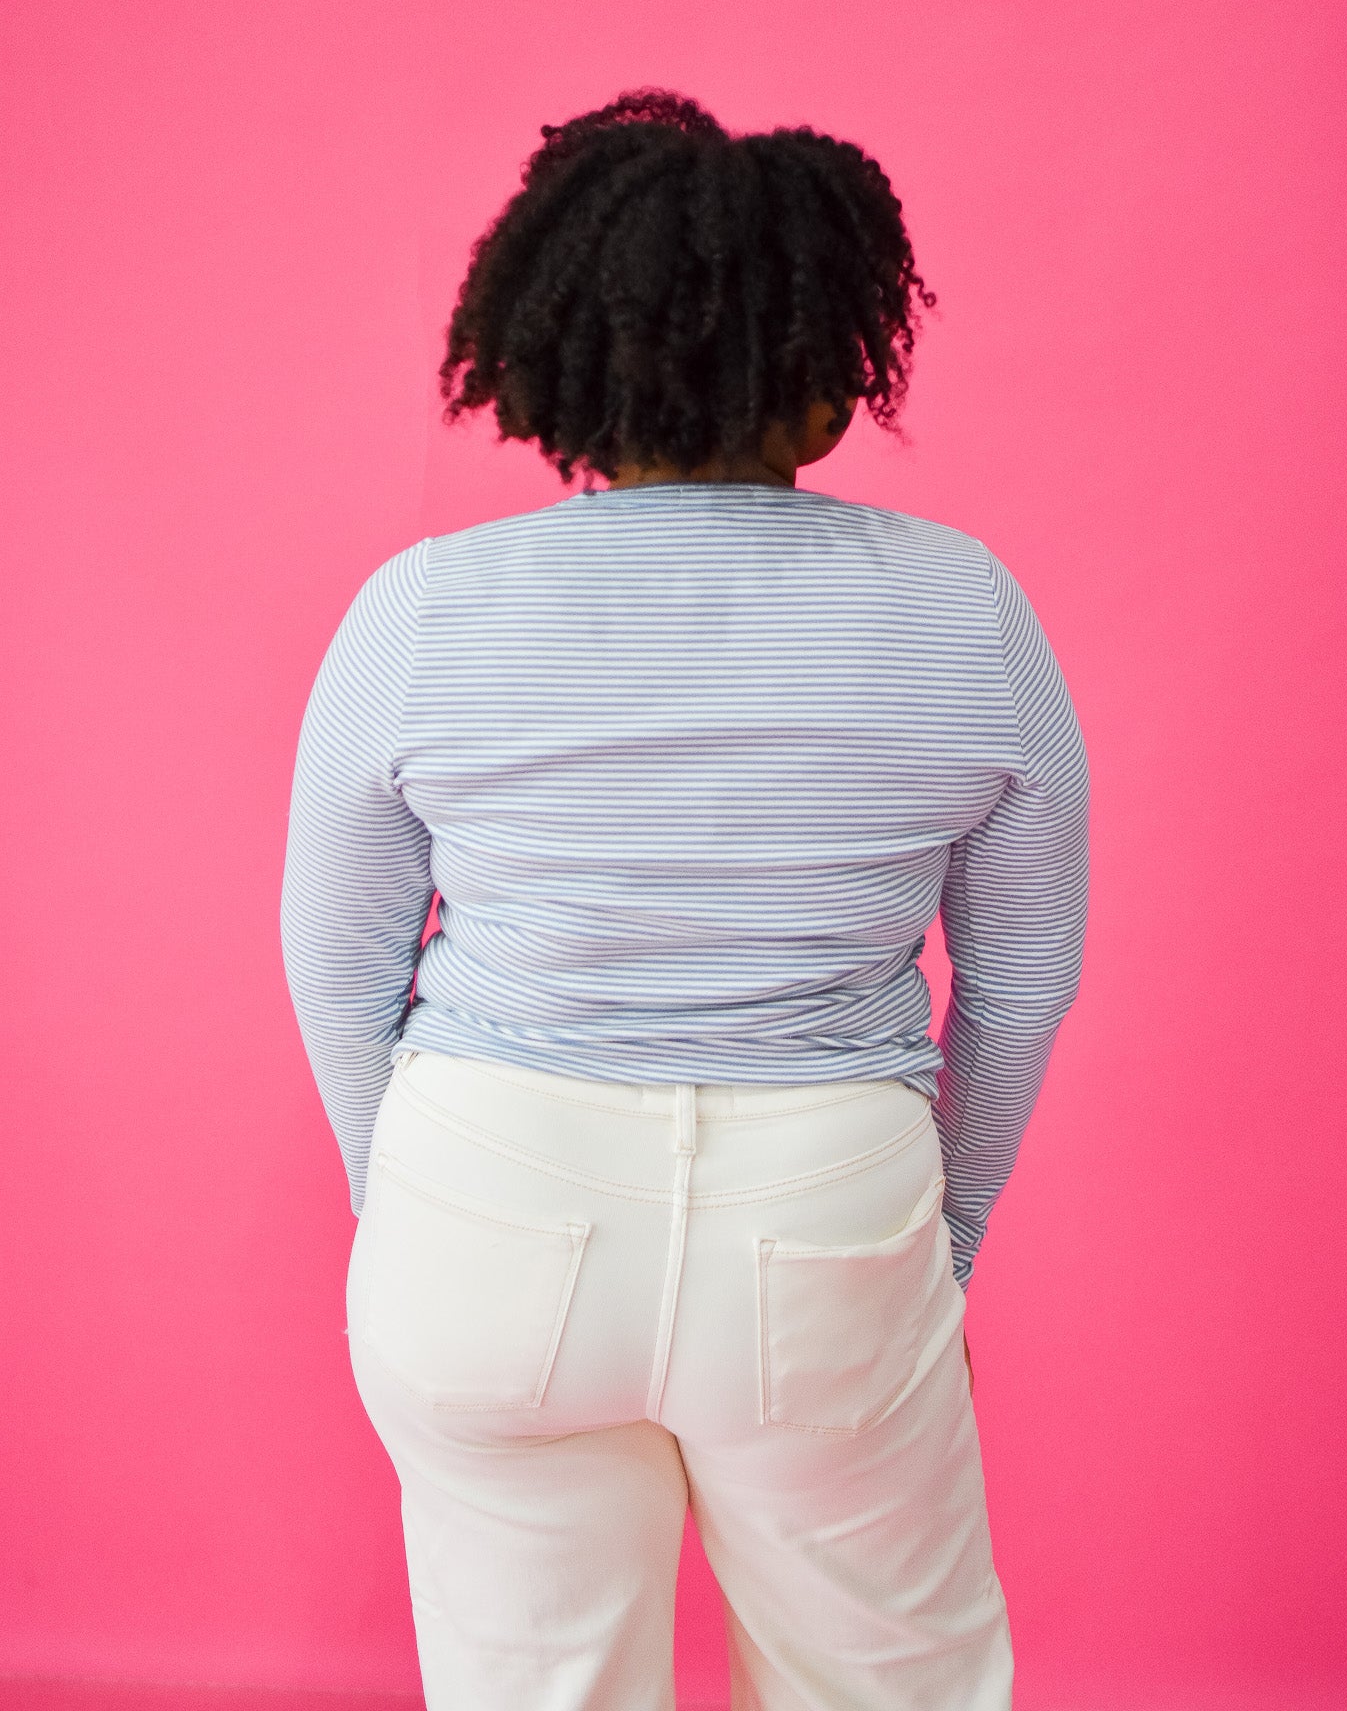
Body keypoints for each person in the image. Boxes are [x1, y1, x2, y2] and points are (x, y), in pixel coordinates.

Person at [280, 89, 1090, 1711]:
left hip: (486, 1187)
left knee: (533, 1686)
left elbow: (339, 960)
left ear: (555, 361)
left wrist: (407, 1202)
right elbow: (1020, 977)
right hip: (825, 1199)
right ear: (835, 372)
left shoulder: (423, 609)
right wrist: (943, 1237)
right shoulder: (964, 608)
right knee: (890, 1682)